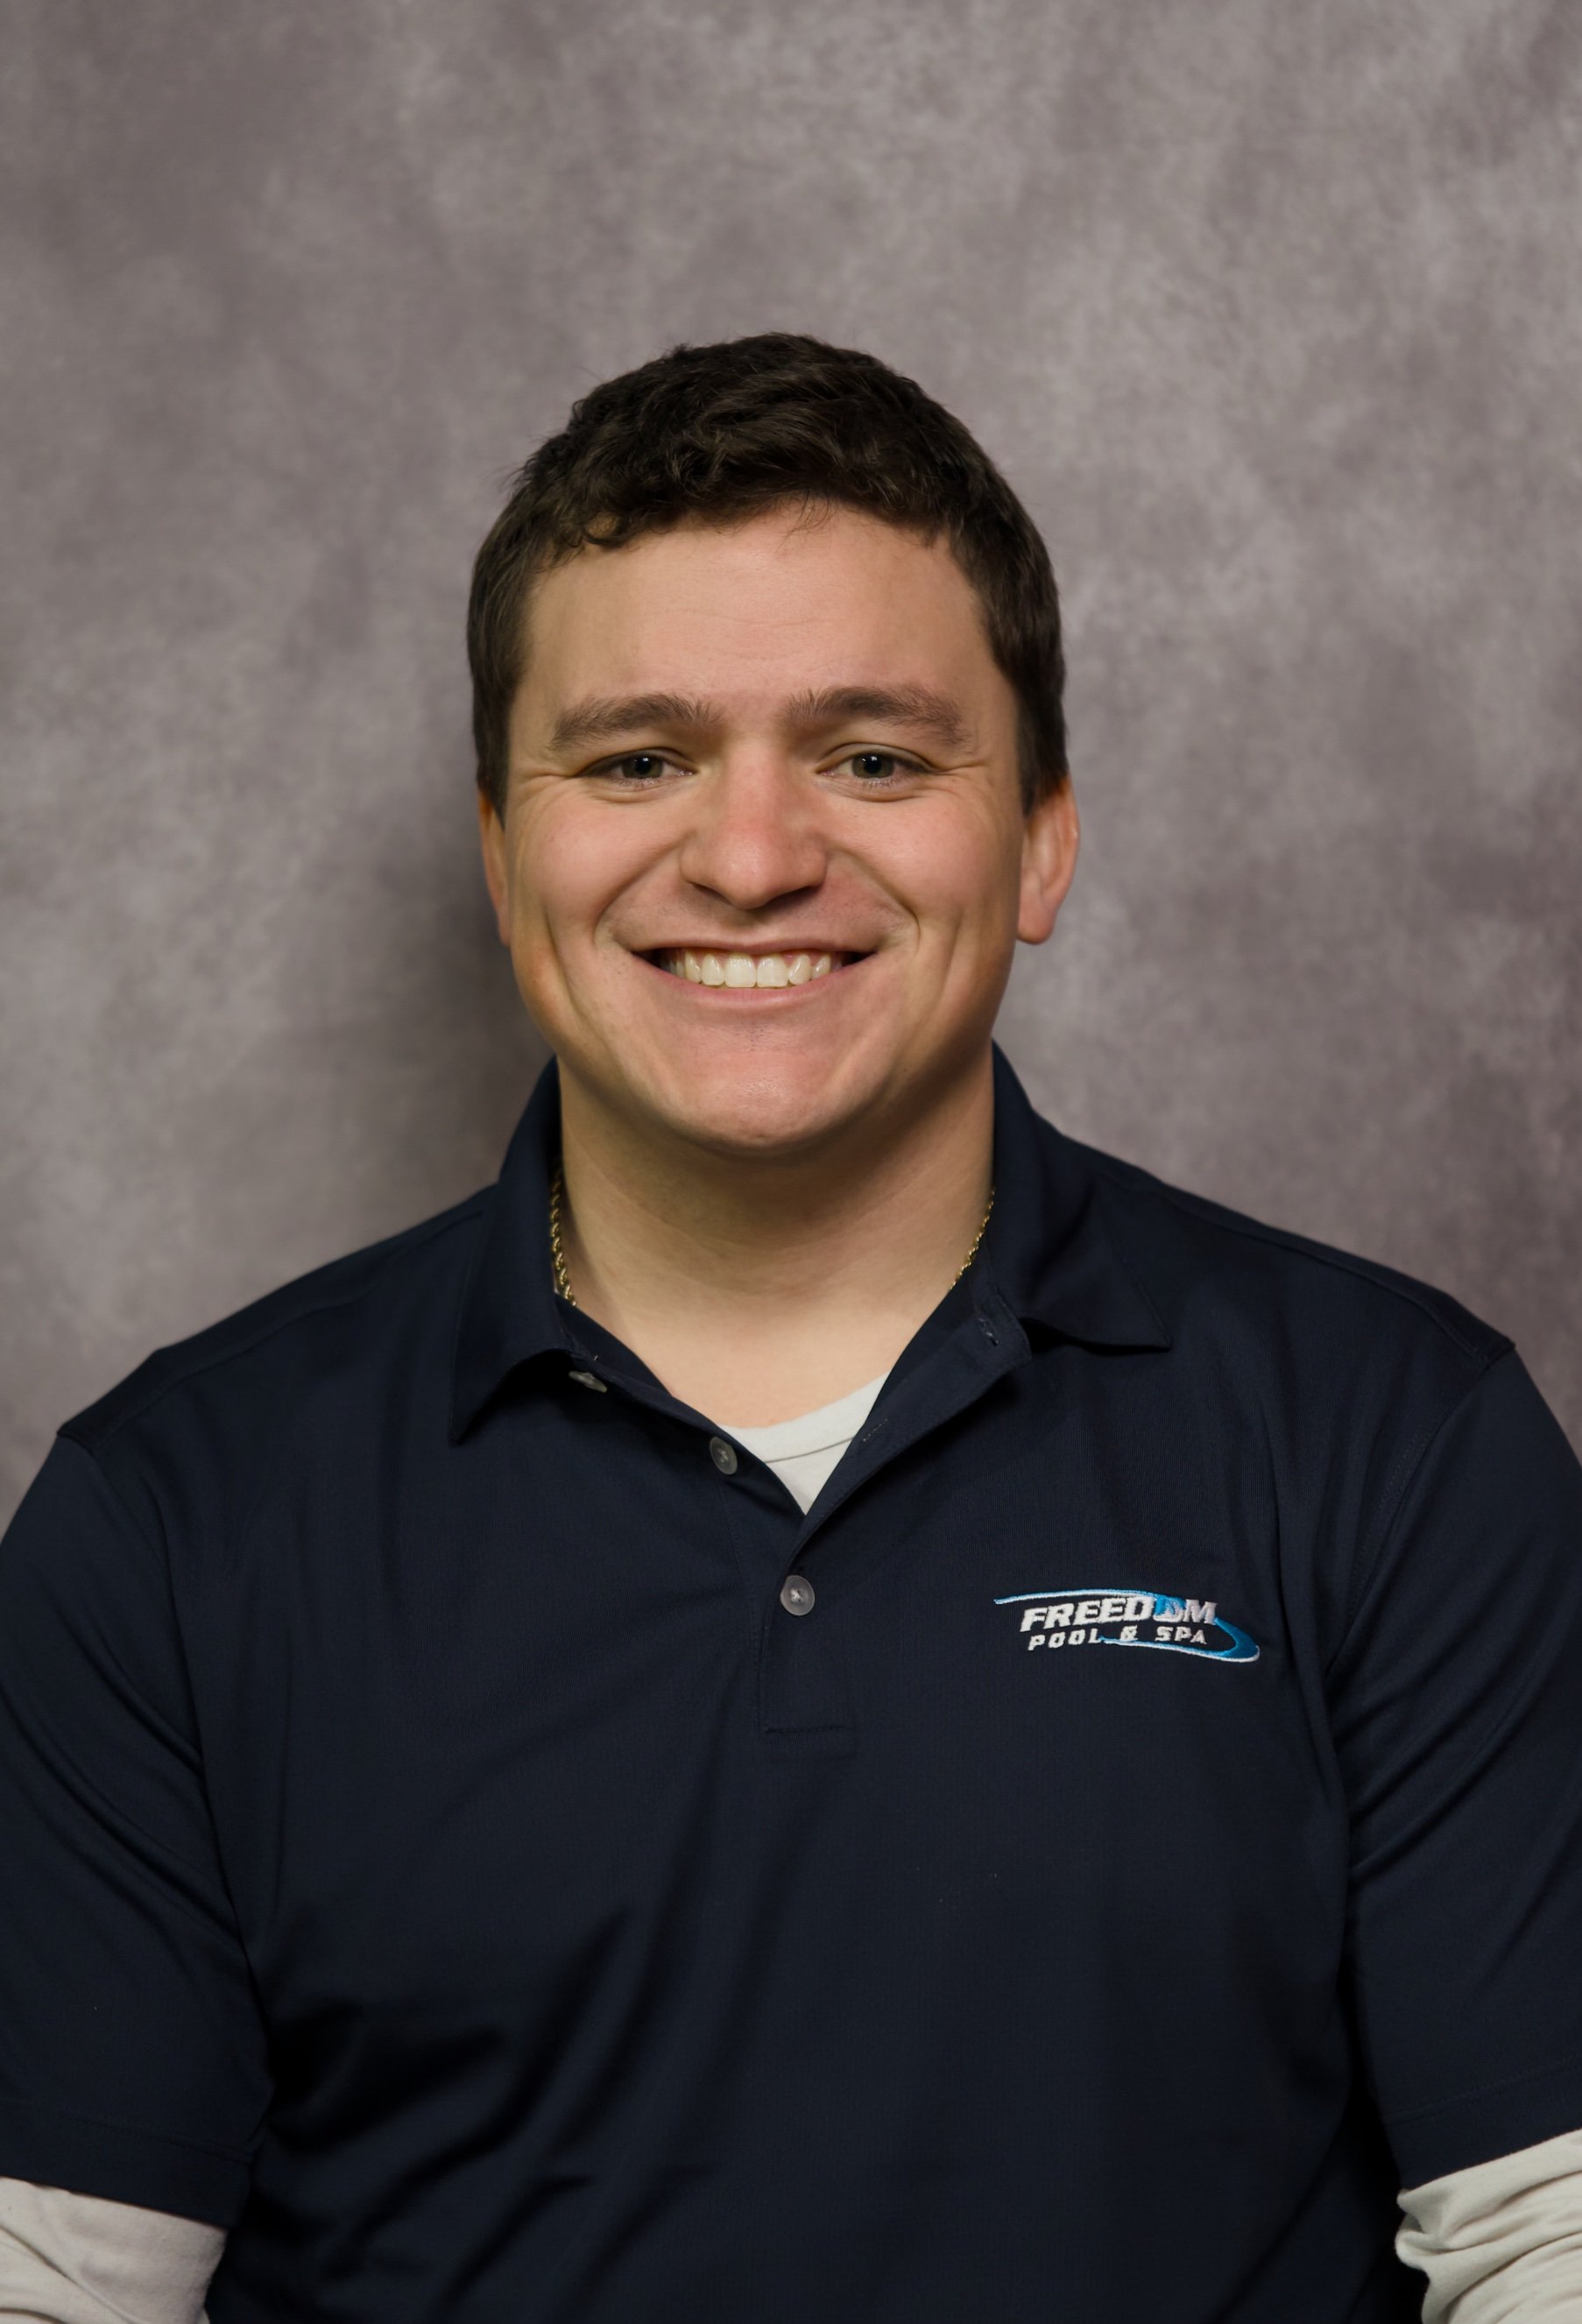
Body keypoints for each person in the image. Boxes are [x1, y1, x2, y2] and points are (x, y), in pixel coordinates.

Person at [1, 335, 1579, 2324]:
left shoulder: (1396, 1445)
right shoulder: (172, 1519)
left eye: (876, 757)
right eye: (640, 756)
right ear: (504, 850)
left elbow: (1553, 2251)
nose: (751, 856)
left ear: (1043, 840)